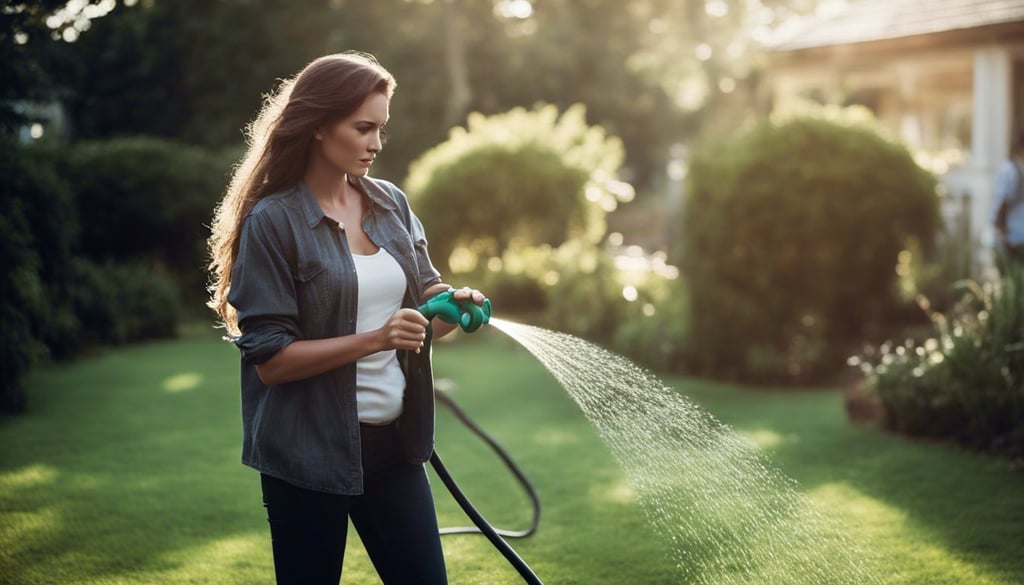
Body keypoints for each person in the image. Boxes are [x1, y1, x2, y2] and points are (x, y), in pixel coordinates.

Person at [206, 51, 486, 585]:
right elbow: (271, 361)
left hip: (393, 447)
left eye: (381, 128)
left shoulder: (390, 204)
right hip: (307, 453)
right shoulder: (275, 222)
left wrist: (453, 304)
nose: (376, 144)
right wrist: (377, 338)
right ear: (318, 126)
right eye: (363, 128)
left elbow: (427, 295)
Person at [992, 131, 1024, 273]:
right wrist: (1000, 231)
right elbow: (1003, 201)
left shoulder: (1016, 168)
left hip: (1017, 234)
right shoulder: (1010, 170)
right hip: (1011, 235)